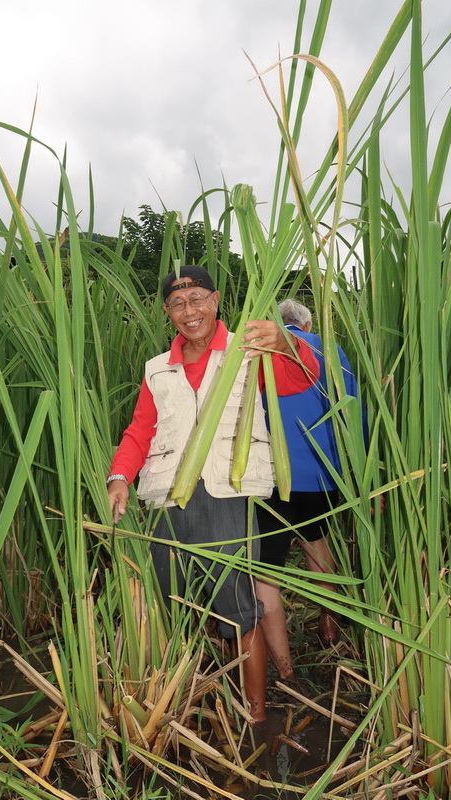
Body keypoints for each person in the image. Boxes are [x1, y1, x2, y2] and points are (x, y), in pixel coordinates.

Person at [107, 267, 319, 721]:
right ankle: (191, 699)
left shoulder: (248, 351)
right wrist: (120, 476)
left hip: (227, 495)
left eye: (198, 298)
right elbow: (140, 430)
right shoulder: (158, 369)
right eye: (179, 304)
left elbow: (301, 378)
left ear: (216, 300)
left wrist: (287, 343)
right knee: (175, 601)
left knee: (242, 606)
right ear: (167, 312)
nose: (190, 311)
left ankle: (257, 716)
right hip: (168, 500)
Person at [255, 298, 366, 681]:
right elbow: (354, 410)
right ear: (307, 322)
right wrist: (362, 473)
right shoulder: (330, 348)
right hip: (323, 471)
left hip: (273, 476)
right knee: (316, 543)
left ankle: (284, 670)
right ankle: (330, 628)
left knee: (266, 568)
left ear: (279, 323)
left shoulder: (260, 349)